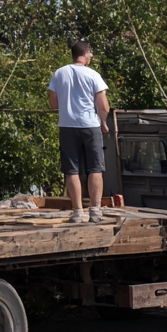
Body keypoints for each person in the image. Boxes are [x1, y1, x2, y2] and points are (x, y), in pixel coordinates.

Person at [48, 40, 111, 224]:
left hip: (67, 126)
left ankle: (77, 212)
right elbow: (102, 104)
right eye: (90, 54)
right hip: (90, 125)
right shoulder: (93, 75)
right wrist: (104, 122)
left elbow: (53, 102)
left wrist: (66, 109)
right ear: (85, 53)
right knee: (95, 168)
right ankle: (95, 211)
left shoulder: (59, 73)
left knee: (71, 170)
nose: (91, 57)